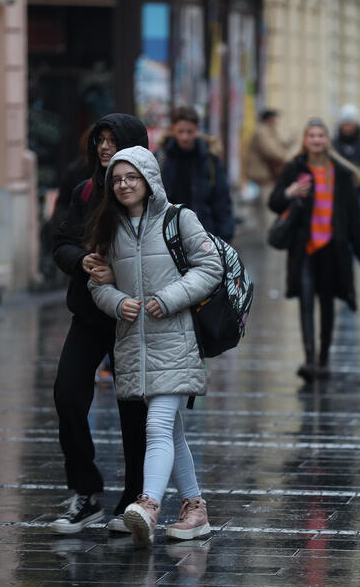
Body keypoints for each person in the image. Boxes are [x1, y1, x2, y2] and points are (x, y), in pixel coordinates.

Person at [87, 146, 224, 546]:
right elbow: (99, 283)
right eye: (116, 179)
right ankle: (195, 508)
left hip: (176, 339)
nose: (124, 184)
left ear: (148, 179)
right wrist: (116, 301)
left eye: (131, 177)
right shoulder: (110, 228)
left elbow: (211, 267)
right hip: (134, 344)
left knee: (158, 425)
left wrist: (169, 298)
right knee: (173, 431)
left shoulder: (178, 219)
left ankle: (147, 504)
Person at [49, 114, 150, 535]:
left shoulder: (149, 193)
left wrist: (122, 276)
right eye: (99, 141)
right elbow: (60, 242)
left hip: (134, 316)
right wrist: (83, 261)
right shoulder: (85, 190)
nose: (104, 148)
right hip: (89, 313)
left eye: (112, 140)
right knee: (68, 394)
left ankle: (133, 500)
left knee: (133, 411)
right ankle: (85, 492)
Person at [269, 118, 360, 382]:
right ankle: (309, 358)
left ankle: (323, 358)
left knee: (327, 304)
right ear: (305, 140)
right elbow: (275, 203)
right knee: (305, 301)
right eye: (312, 135)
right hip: (304, 247)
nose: (316, 140)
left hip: (332, 247)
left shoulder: (341, 172)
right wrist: (290, 192)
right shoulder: (295, 169)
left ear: (328, 140)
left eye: (321, 136)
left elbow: (351, 216)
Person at [156, 106, 235, 242]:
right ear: (173, 129)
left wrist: (224, 237)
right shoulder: (162, 157)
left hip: (204, 233)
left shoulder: (210, 159)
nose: (185, 137)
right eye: (180, 131)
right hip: (168, 234)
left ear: (197, 129)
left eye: (190, 131)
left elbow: (222, 200)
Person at [332, 104, 360, 202]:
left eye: (350, 123)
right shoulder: (333, 145)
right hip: (337, 195)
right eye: (345, 123)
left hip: (359, 195)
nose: (347, 127)